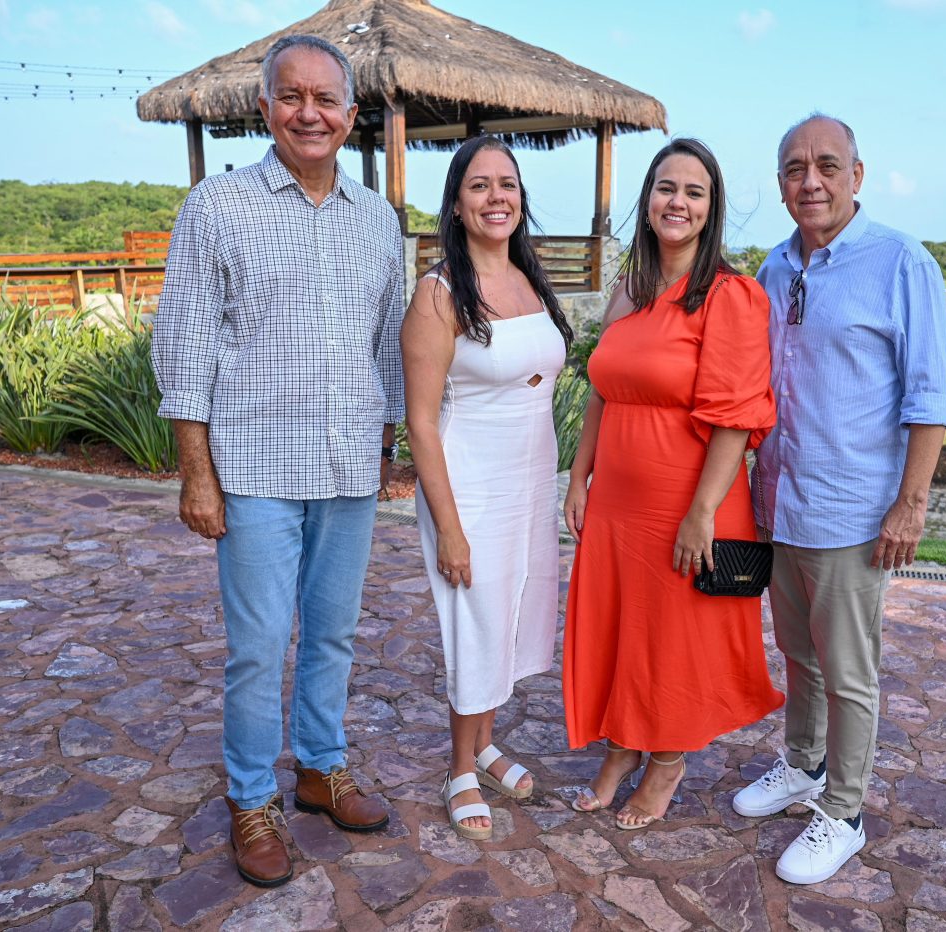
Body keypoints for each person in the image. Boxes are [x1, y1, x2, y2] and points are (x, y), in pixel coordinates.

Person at [151, 34, 403, 888]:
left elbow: (388, 346)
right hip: (255, 465)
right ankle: (251, 797)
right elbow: (185, 344)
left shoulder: (379, 220)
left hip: (347, 472)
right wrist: (196, 471)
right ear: (265, 108)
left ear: (350, 114)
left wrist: (387, 441)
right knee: (259, 646)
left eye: (326, 99)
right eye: (291, 97)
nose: (309, 112)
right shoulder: (217, 208)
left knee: (331, 633)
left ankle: (321, 769)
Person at [734, 114, 946, 885]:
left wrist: (912, 504)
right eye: (795, 168)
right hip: (782, 503)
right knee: (800, 656)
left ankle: (846, 810)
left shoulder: (901, 263)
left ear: (857, 175)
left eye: (828, 165)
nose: (811, 181)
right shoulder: (772, 267)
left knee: (850, 668)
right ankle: (802, 764)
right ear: (781, 184)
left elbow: (930, 396)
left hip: (854, 511)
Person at [563, 138, 783, 830]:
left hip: (689, 496)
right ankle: (625, 744)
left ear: (711, 208)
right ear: (647, 199)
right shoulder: (631, 287)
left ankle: (667, 760)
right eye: (666, 188)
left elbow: (737, 420)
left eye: (694, 191)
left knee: (675, 635)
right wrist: (578, 475)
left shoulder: (729, 296)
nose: (677, 202)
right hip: (620, 498)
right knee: (626, 623)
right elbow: (603, 388)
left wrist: (703, 513)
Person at [401, 135, 572, 841]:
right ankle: (459, 767)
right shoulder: (438, 295)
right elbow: (421, 421)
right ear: (456, 203)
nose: (496, 197)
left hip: (529, 476)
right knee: (476, 624)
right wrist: (449, 527)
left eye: (508, 183)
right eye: (479, 186)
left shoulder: (532, 279)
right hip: (470, 482)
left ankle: (487, 744)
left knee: (512, 616)